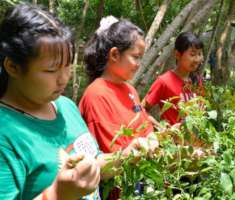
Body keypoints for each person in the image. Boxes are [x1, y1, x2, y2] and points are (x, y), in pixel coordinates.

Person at [0, 5, 154, 200]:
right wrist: (57, 194)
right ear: (13, 67)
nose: (63, 78)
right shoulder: (5, 135)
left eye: (68, 66)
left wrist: (126, 157)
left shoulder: (65, 106)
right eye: (51, 70)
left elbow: (95, 163)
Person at [79, 17, 156, 154]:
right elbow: (111, 152)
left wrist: (152, 138)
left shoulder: (130, 89)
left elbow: (145, 126)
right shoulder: (96, 94)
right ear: (115, 54)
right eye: (136, 57)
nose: (139, 64)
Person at [142, 32, 205, 125]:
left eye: (199, 54)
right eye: (192, 54)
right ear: (177, 54)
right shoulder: (164, 81)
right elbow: (141, 109)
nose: (197, 59)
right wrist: (160, 128)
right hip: (172, 139)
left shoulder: (197, 81)